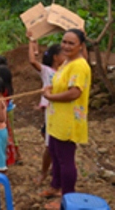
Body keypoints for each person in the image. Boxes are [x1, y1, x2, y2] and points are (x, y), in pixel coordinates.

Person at [40, 29, 91, 210]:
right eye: (64, 42)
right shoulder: (67, 63)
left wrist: (51, 97)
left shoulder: (79, 65)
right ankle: (55, 186)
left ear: (80, 46)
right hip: (57, 119)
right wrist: (49, 89)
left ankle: (67, 199)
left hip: (68, 120)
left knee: (65, 159)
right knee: (54, 152)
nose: (66, 46)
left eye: (71, 43)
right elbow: (59, 84)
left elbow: (74, 92)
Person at [28, 30, 64, 186]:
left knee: (56, 145)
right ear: (56, 57)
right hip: (51, 111)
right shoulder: (48, 72)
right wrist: (31, 40)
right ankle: (44, 173)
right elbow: (32, 61)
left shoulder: (67, 71)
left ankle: (56, 171)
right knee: (50, 145)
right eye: (63, 53)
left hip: (63, 111)